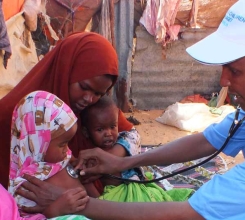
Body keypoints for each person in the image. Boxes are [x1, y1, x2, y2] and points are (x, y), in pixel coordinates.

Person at [16, 0, 245, 219]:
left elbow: (190, 213)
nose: (223, 82)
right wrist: (125, 163)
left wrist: (73, 205)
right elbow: (208, 140)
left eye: (234, 70)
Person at [0, 31, 140, 189]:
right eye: (84, 87)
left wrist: (108, 160)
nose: (89, 99)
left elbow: (132, 135)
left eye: (98, 94)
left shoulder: (96, 108)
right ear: (66, 69)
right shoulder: (15, 114)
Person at [81, 95, 193, 201]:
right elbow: (88, 184)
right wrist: (101, 207)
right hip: (114, 198)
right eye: (100, 130)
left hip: (135, 189)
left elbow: (135, 163)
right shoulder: (90, 158)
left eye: (113, 127)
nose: (108, 133)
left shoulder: (121, 140)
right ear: (86, 132)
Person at [8, 91, 90, 218]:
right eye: (63, 144)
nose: (67, 150)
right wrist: (54, 211)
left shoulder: (61, 159)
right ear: (38, 143)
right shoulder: (27, 185)